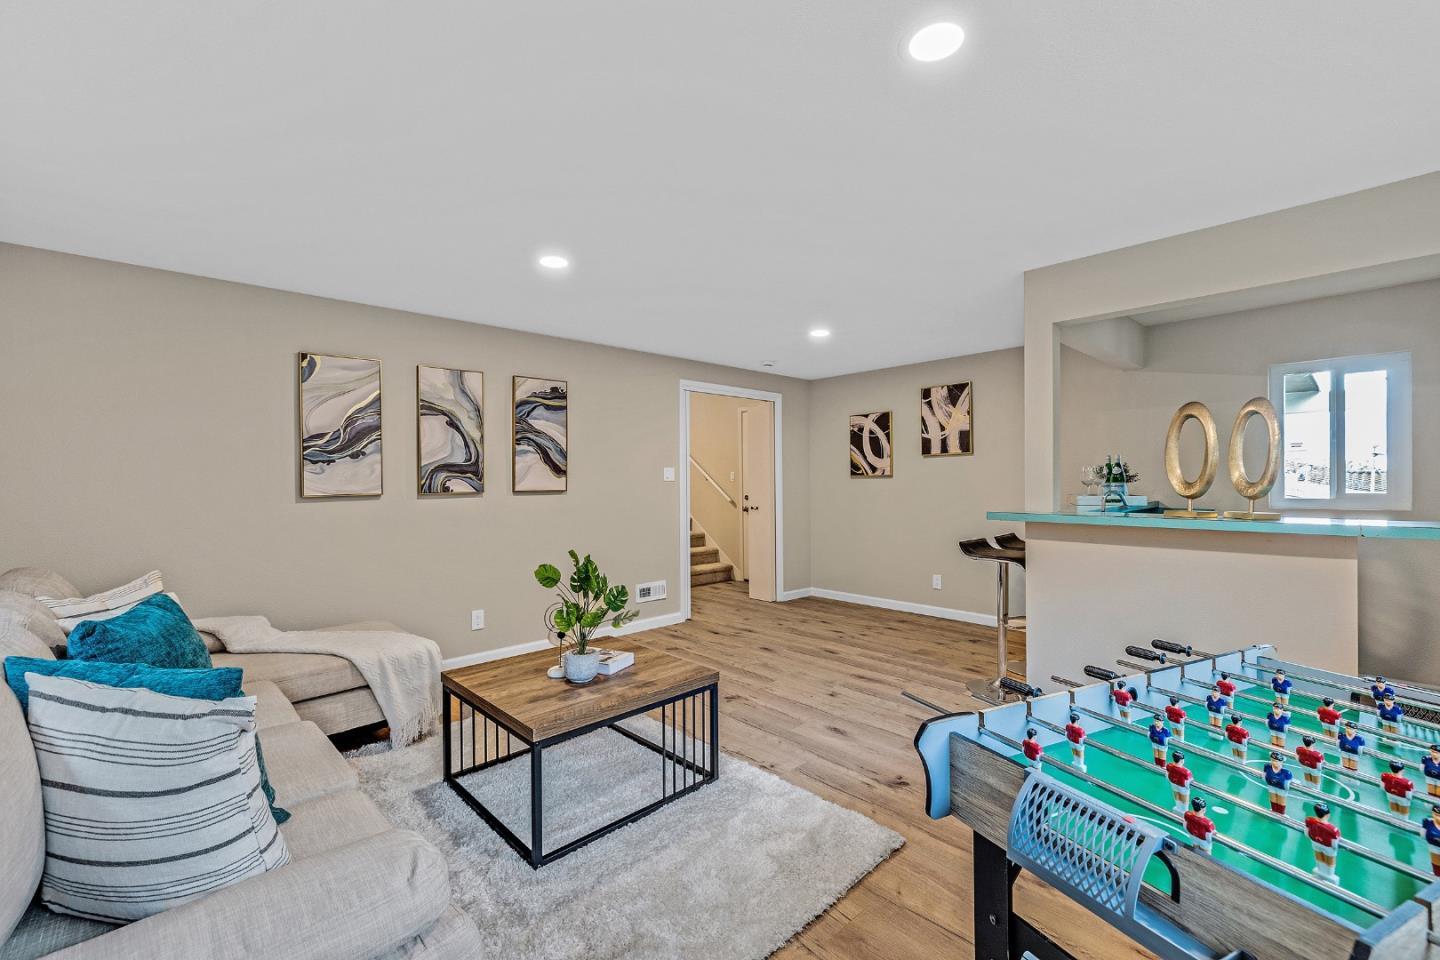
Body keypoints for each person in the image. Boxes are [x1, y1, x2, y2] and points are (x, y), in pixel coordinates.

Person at [1305, 802, 1341, 884]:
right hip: (1328, 848)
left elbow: (1307, 834)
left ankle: (1321, 871)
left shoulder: (1310, 821)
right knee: (1329, 861)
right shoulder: (1333, 830)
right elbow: (1335, 845)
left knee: (1319, 857)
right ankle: (1329, 874)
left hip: (1315, 844)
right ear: (1327, 815)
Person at [1425, 805, 1440, 877]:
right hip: (1433, 846)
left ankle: (1436, 874)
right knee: (1435, 862)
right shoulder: (1429, 822)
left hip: (1433, 845)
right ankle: (1436, 874)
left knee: (1435, 862)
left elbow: (1423, 833)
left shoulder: (1429, 821)